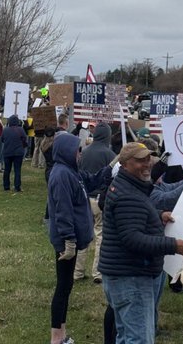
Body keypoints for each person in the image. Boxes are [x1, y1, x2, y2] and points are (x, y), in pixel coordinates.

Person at [99, 140, 183, 344]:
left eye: (149, 158)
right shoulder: (128, 195)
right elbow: (133, 239)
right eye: (140, 160)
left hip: (123, 275)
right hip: (131, 278)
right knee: (139, 339)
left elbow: (132, 220)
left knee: (125, 337)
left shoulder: (129, 187)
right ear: (124, 165)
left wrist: (159, 216)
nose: (147, 163)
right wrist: (173, 245)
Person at [46, 129, 106, 344]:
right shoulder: (61, 174)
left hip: (71, 240)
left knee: (67, 285)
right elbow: (62, 211)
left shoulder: (73, 172)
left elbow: (90, 181)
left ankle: (62, 334)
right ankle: (56, 338)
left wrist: (111, 168)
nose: (79, 154)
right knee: (62, 287)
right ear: (66, 151)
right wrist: (69, 241)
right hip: (65, 242)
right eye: (77, 150)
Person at [73, 120, 114, 280]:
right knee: (101, 235)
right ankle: (97, 272)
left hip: (84, 198)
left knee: (83, 235)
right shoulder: (110, 155)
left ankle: (77, 271)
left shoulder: (84, 151)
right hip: (99, 199)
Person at [1, 113, 27, 193]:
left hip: (7, 152)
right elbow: (24, 139)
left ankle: (6, 186)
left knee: (7, 170)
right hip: (18, 153)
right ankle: (17, 187)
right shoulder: (20, 129)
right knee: (17, 170)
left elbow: (2, 140)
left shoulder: (5, 130)